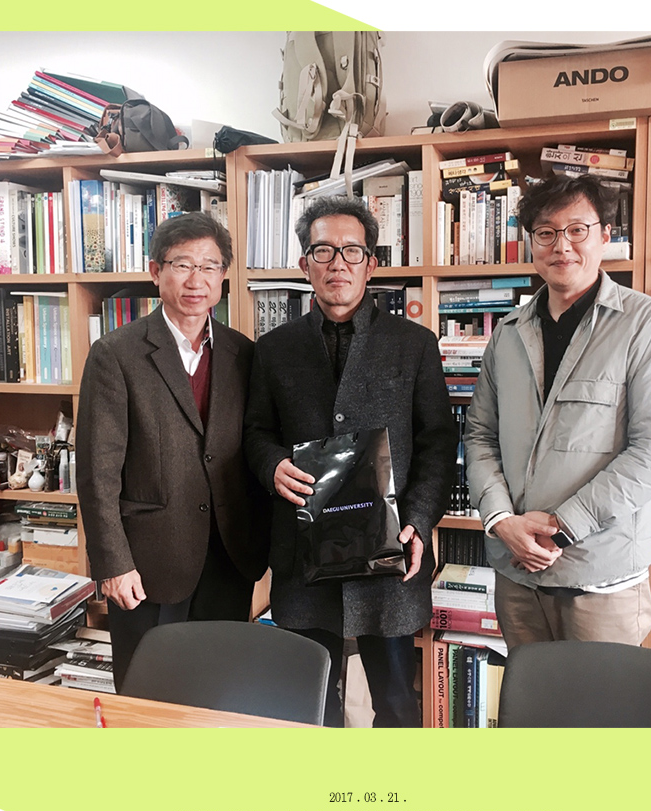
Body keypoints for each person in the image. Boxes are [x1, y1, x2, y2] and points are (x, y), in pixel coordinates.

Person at [244, 196, 457, 727]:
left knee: (397, 705)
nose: (337, 263)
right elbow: (255, 432)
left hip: (390, 551)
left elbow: (437, 441)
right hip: (303, 553)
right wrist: (272, 465)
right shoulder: (274, 348)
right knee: (311, 705)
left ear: (371, 263)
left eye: (351, 251)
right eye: (323, 251)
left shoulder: (414, 344)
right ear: (304, 264)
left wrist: (418, 520)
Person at [464, 174, 651, 651]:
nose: (562, 246)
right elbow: (480, 434)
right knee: (528, 697)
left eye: (577, 230)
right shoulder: (507, 333)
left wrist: (563, 527)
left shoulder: (646, 325)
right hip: (517, 574)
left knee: (601, 701)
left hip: (600, 580)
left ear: (605, 235)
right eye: (546, 232)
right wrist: (500, 519)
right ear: (532, 243)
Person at [77, 212, 270, 692]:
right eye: (182, 265)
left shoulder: (243, 354)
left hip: (228, 558)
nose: (195, 280)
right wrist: (113, 564)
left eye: (209, 266)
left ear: (223, 276)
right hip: (148, 564)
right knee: (148, 697)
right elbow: (98, 473)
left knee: (219, 691)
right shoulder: (115, 354)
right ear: (155, 271)